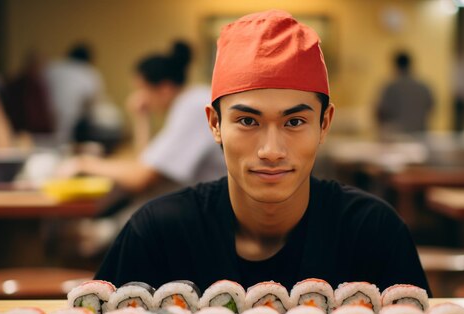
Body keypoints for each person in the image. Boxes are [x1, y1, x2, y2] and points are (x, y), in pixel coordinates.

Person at [95, 10, 430, 295]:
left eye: (295, 121)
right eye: (247, 121)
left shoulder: (373, 233)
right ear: (214, 124)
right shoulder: (158, 233)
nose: (271, 151)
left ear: (324, 124)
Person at [63, 41, 226, 194]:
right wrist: (142, 119)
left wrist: (83, 164)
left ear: (165, 89)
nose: (138, 98)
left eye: (142, 89)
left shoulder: (193, 107)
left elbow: (141, 178)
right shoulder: (189, 101)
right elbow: (144, 163)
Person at [45, 43, 104, 143]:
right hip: (73, 127)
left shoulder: (51, 67)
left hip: (43, 122)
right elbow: (94, 105)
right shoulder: (89, 73)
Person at [376, 51, 434, 138]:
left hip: (397, 136)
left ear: (395, 65)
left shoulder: (391, 87)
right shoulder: (423, 87)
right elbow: (431, 107)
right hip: (420, 135)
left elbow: (381, 112)